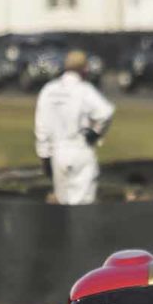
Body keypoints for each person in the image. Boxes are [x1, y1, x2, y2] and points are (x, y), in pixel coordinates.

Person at [34, 50, 115, 206]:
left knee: (63, 204)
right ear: (85, 69)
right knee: (83, 205)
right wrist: (95, 133)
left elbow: (41, 129)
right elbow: (106, 112)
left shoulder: (48, 90)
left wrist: (44, 157)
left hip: (57, 153)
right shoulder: (83, 89)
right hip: (80, 149)